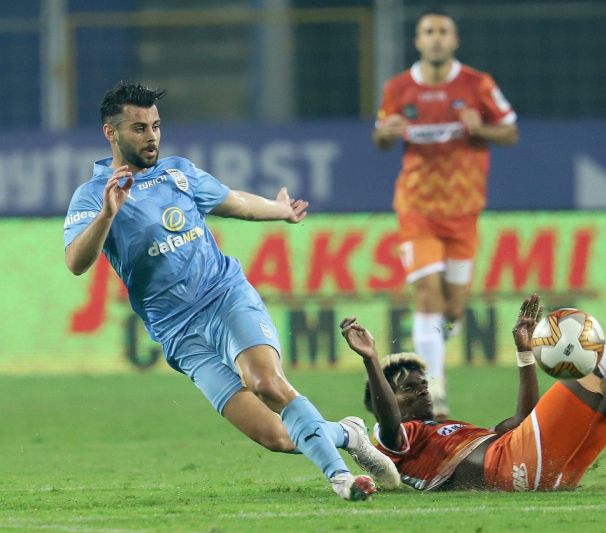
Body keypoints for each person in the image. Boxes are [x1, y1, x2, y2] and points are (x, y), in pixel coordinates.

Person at [63, 81, 400, 501]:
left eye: (155, 125)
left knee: (266, 383)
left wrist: (281, 211)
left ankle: (341, 479)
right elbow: (76, 261)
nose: (151, 136)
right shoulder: (93, 196)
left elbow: (234, 201)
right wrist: (107, 215)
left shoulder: (178, 173)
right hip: (179, 333)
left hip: (225, 298)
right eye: (138, 128)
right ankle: (347, 434)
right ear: (110, 133)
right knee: (276, 437)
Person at [340, 270, 606, 492]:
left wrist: (524, 352)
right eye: (407, 387)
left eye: (421, 381)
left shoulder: (445, 435)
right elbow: (389, 422)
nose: (420, 388)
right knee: (599, 363)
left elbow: (523, 422)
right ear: (387, 402)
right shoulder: (393, 439)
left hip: (543, 475)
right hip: (511, 469)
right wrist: (372, 361)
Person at [372, 9, 519, 419]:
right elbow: (381, 137)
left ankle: (433, 341)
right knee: (427, 296)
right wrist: (385, 134)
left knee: (453, 307)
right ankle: (433, 394)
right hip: (416, 207)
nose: (436, 38)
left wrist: (481, 129)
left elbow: (509, 131)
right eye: (428, 32)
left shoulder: (477, 84)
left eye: (443, 32)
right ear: (418, 41)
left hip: (463, 210)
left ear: (453, 41)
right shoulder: (398, 88)